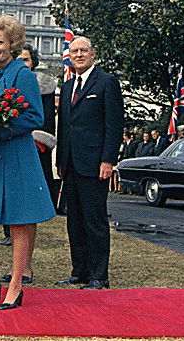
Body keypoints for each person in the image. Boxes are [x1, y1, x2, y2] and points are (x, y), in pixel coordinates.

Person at [0, 16, 55, 310]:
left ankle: (15, 285)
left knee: (18, 221)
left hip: (17, 155)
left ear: (12, 44)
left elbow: (34, 118)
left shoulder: (24, 75)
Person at [55, 36, 123, 290]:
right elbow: (64, 127)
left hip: (95, 164)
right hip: (70, 163)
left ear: (93, 54)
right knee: (74, 220)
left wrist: (108, 160)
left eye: (84, 50)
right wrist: (61, 160)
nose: (79, 55)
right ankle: (79, 271)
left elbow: (113, 126)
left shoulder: (106, 83)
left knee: (94, 220)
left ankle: (99, 275)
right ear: (69, 56)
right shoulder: (68, 86)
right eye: (74, 51)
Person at [0, 43, 56, 285]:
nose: (22, 64)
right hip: (8, 149)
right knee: (12, 210)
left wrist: (36, 140)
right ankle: (16, 264)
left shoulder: (42, 87)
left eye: (26, 60)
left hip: (35, 150)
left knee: (27, 212)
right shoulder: (4, 80)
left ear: (33, 63)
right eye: (18, 59)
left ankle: (26, 267)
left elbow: (46, 122)